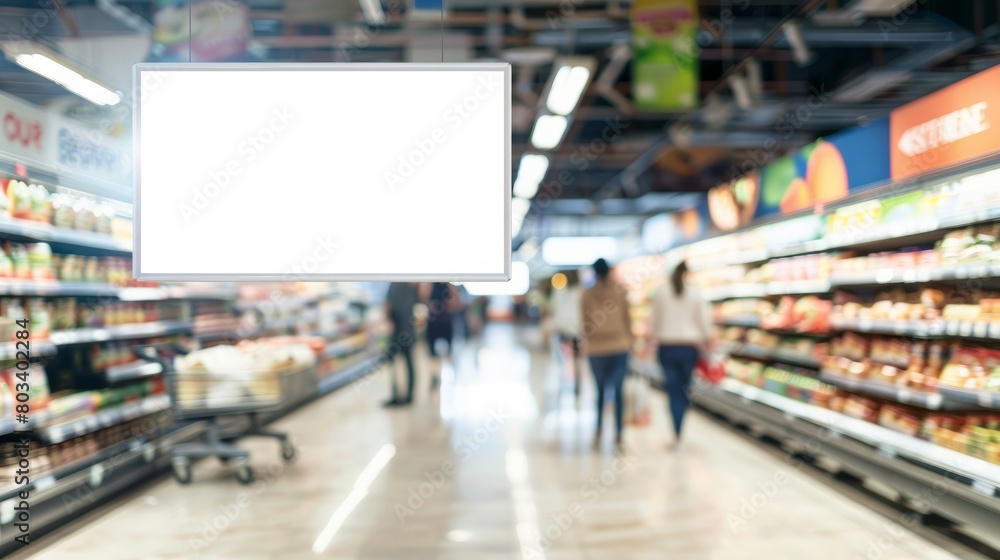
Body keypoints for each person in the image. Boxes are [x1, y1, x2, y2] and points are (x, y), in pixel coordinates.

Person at [648, 260, 712, 449]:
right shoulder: (695, 292)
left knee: (672, 390)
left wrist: (649, 340)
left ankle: (676, 432)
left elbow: (654, 321)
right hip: (688, 349)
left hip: (667, 348)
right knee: (684, 390)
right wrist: (707, 340)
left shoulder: (661, 291)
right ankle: (679, 429)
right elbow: (704, 321)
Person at [580, 258, 633, 450]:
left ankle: (598, 430)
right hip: (620, 347)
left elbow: (585, 324)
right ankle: (619, 434)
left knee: (600, 392)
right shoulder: (620, 291)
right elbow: (627, 319)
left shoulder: (587, 295)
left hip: (597, 349)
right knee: (618, 392)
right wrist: (631, 342)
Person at [384, 282, 419, 407]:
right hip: (404, 330)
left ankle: (403, 395)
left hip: (402, 331)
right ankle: (401, 395)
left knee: (402, 363)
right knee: (400, 364)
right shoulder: (405, 286)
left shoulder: (401, 286)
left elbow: (387, 306)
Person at [551, 270, 584, 400]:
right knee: (576, 360)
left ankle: (566, 385)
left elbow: (554, 309)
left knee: (564, 360)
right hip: (575, 330)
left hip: (565, 330)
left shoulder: (561, 292)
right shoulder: (579, 292)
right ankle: (575, 387)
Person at [424, 282, 461, 389]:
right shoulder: (430, 284)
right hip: (434, 321)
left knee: (447, 352)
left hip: (444, 321)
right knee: (432, 353)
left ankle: (449, 375)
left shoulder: (449, 285)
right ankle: (435, 377)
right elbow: (424, 298)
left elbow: (456, 303)